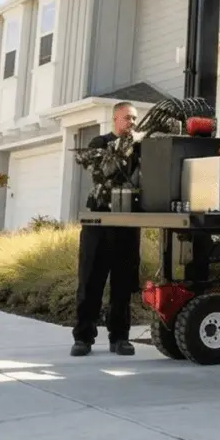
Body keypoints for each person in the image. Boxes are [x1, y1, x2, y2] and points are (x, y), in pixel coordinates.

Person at [71, 101, 142, 357]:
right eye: (127, 118)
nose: (132, 123)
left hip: (127, 224)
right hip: (98, 222)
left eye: (135, 119)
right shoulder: (98, 144)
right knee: (90, 281)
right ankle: (83, 338)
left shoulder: (141, 148)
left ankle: (120, 338)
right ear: (115, 119)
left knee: (123, 284)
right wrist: (126, 147)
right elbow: (103, 171)